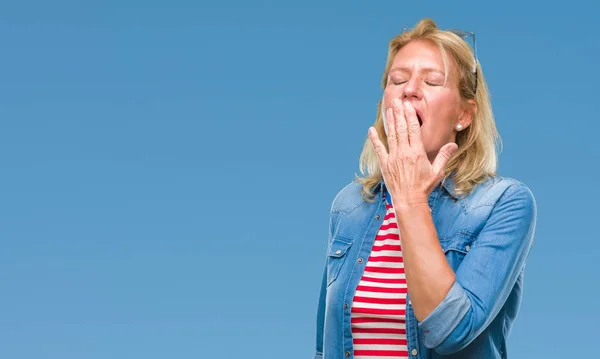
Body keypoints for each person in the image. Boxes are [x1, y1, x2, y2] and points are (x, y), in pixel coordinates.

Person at [313, 18, 537, 359]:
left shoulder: (503, 203)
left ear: (464, 115)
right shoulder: (349, 206)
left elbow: (451, 330)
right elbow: (323, 347)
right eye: (397, 79)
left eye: (431, 81)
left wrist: (410, 200)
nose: (409, 89)